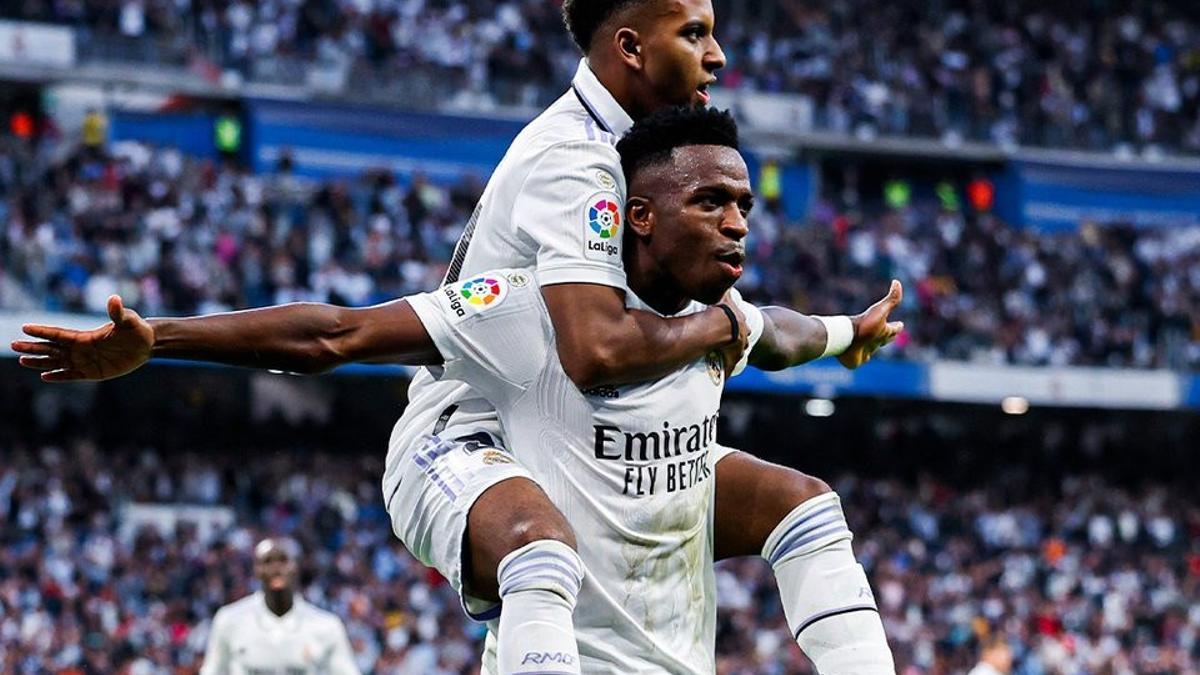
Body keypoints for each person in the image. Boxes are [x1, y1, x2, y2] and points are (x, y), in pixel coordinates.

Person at [14, 107, 899, 673]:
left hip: (658, 633)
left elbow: (780, 331)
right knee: (543, 550)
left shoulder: (726, 317)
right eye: (712, 201)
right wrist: (160, 339)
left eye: (746, 202)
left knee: (809, 508)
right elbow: (338, 333)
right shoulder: (527, 309)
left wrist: (847, 333)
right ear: (640, 217)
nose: (739, 221)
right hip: (553, 620)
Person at [200, 538, 360, 675]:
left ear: (296, 567)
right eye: (267, 561)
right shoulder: (230, 620)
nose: (276, 569)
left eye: (283, 560)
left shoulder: (326, 626)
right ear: (256, 570)